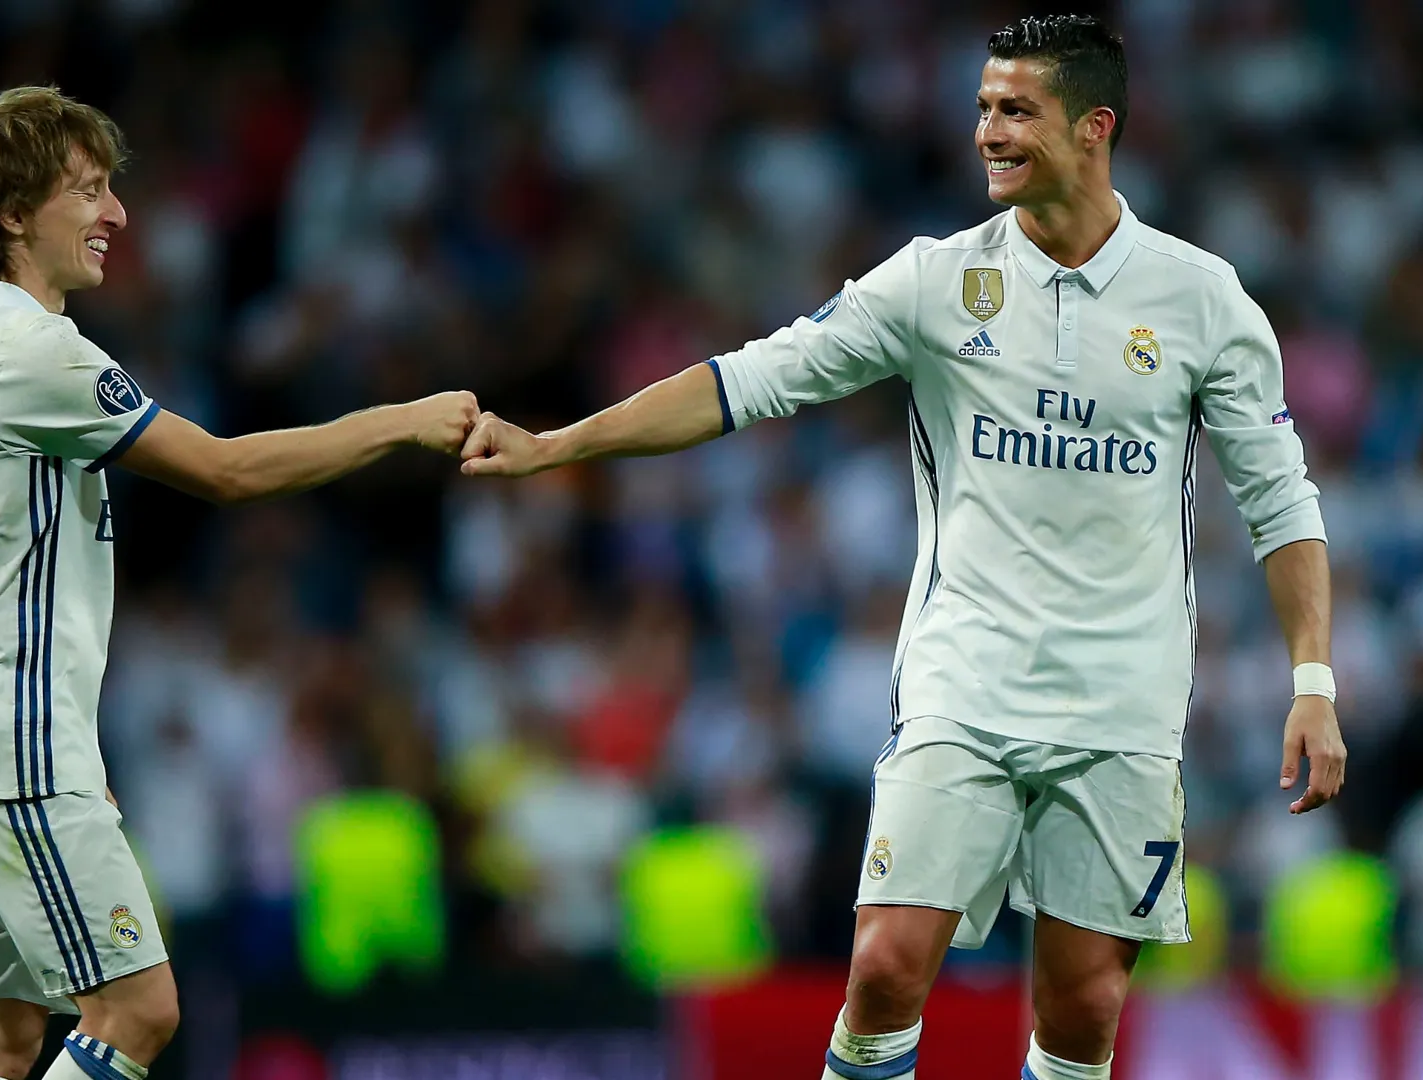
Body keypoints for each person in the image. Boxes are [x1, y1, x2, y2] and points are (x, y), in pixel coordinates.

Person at [459, 15, 1345, 1080]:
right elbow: (754, 377)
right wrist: (561, 443)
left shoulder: (1201, 300)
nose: (988, 132)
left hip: (1122, 701)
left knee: (1085, 1006)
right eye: (983, 108)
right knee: (883, 965)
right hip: (963, 683)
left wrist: (1312, 681)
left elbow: (1281, 503)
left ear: (1094, 127)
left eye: (1017, 111)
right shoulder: (935, 282)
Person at [0, 86, 477, 1080]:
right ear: (13, 214)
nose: (117, 214)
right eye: (87, 190)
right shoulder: (27, 349)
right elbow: (225, 470)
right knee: (136, 1010)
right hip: (12, 741)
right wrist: (400, 420)